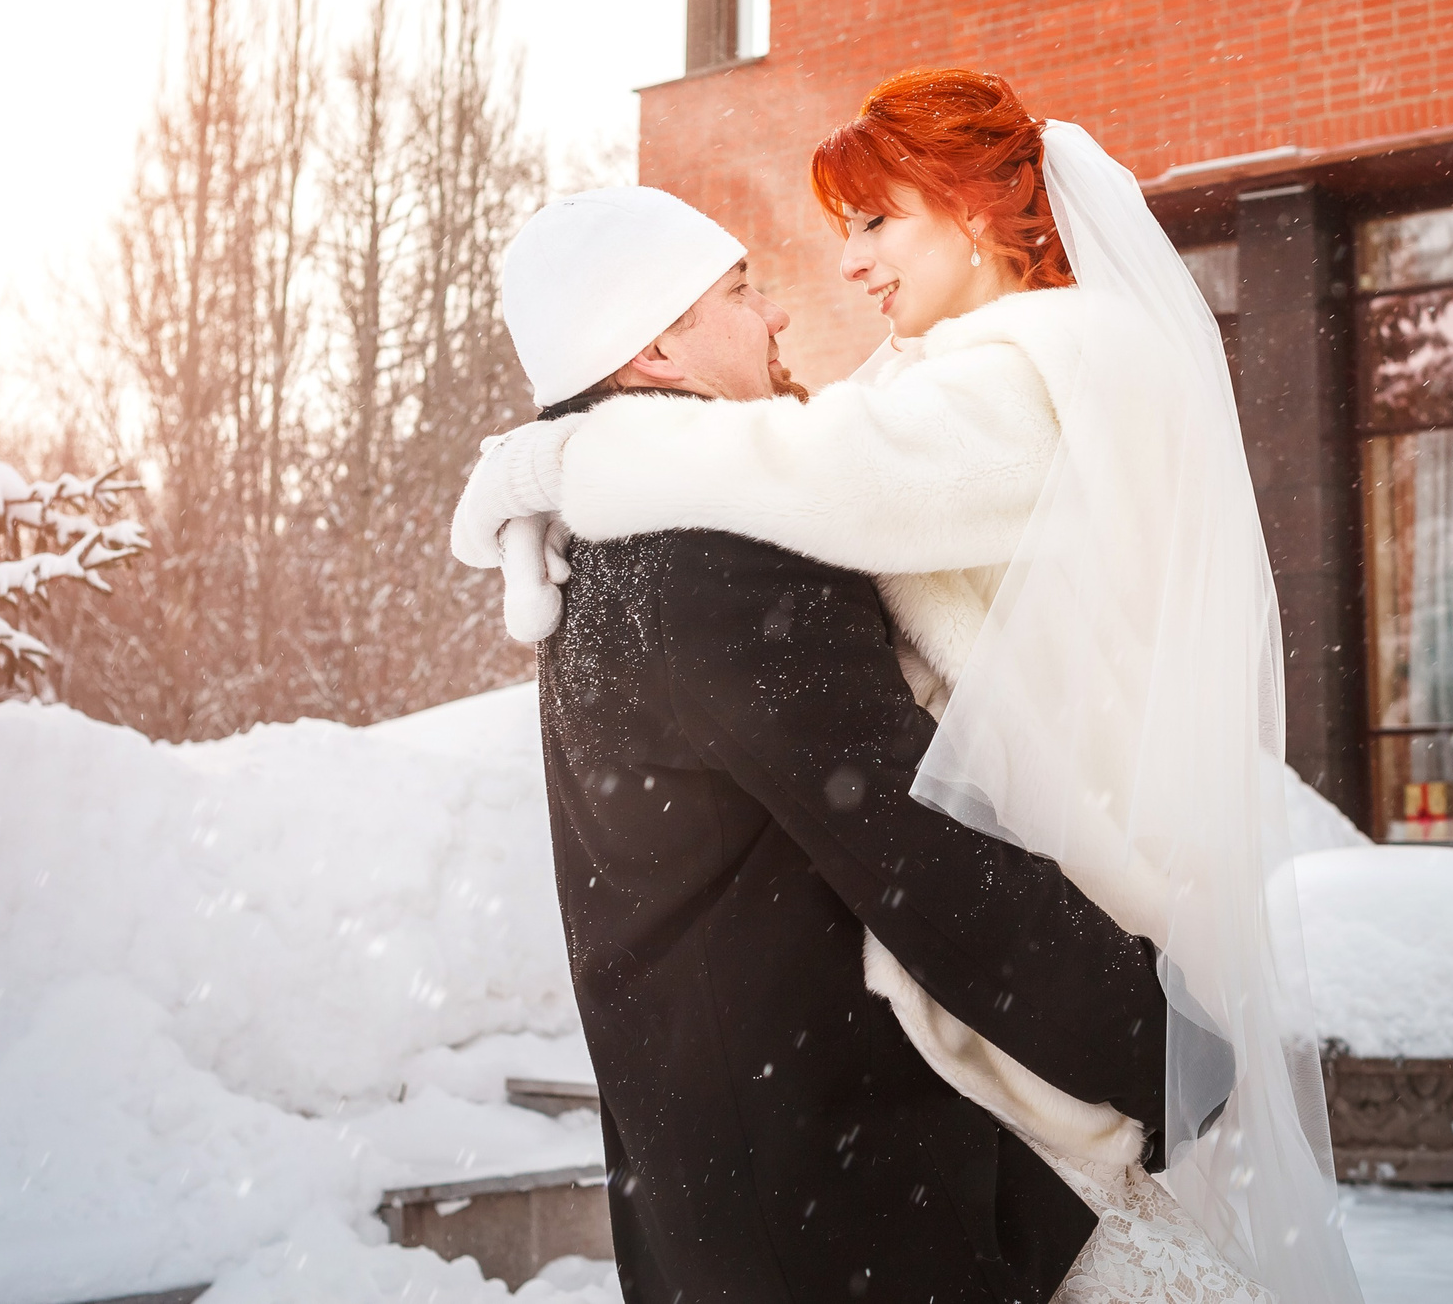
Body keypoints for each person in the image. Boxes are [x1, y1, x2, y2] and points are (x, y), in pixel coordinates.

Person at [456, 72, 1366, 1304]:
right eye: (740, 292)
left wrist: (558, 453)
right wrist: (1152, 1047)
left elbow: (832, 465)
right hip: (827, 1181)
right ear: (656, 346)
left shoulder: (1020, 381)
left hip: (754, 1168)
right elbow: (905, 842)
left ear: (978, 214)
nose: (797, 302)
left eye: (873, 223)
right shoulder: (705, 557)